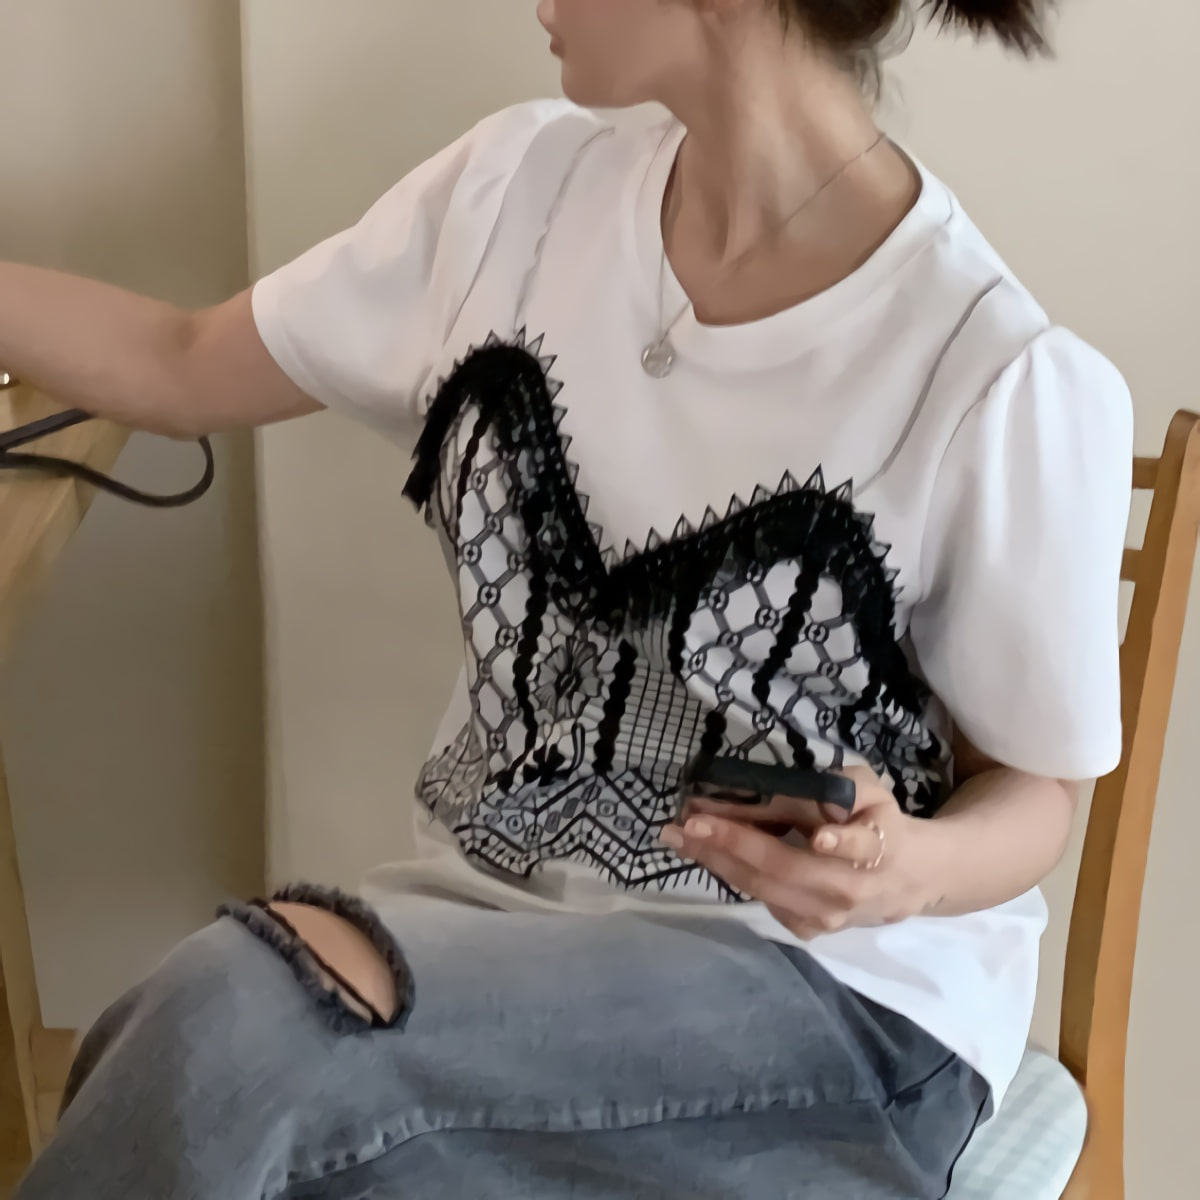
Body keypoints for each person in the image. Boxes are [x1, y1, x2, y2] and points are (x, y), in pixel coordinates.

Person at [2, 1, 1132, 1197]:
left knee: (237, 1028)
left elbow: (1037, 793)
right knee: (233, 1090)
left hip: (829, 1013)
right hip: (494, 940)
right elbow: (182, 360)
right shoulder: (513, 199)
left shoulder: (990, 371)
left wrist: (907, 865)